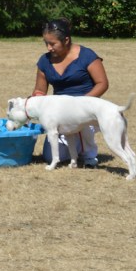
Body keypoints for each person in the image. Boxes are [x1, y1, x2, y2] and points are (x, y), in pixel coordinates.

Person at [32, 18, 106, 167]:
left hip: (86, 108)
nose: (49, 48)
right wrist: (35, 101)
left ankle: (89, 154)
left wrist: (80, 105)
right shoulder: (44, 61)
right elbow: (39, 90)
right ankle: (78, 146)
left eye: (53, 44)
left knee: (81, 130)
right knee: (49, 156)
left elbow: (102, 83)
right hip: (60, 114)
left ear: (66, 40)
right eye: (46, 43)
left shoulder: (87, 55)